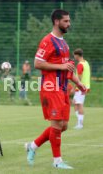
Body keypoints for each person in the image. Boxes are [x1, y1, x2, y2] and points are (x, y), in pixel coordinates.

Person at [25, 9, 86, 169]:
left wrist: (79, 83)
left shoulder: (64, 44)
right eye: (66, 21)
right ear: (56, 22)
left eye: (69, 20)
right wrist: (60, 66)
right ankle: (57, 161)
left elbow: (68, 69)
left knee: (63, 126)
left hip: (64, 88)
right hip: (51, 88)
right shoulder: (47, 40)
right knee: (57, 124)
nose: (69, 24)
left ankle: (33, 146)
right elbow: (37, 63)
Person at [73, 48, 90, 129]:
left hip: (81, 88)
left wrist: (74, 87)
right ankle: (79, 121)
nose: (74, 57)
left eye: (74, 55)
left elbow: (78, 79)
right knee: (75, 103)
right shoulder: (86, 63)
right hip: (85, 87)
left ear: (77, 55)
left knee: (79, 105)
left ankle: (80, 124)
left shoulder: (80, 65)